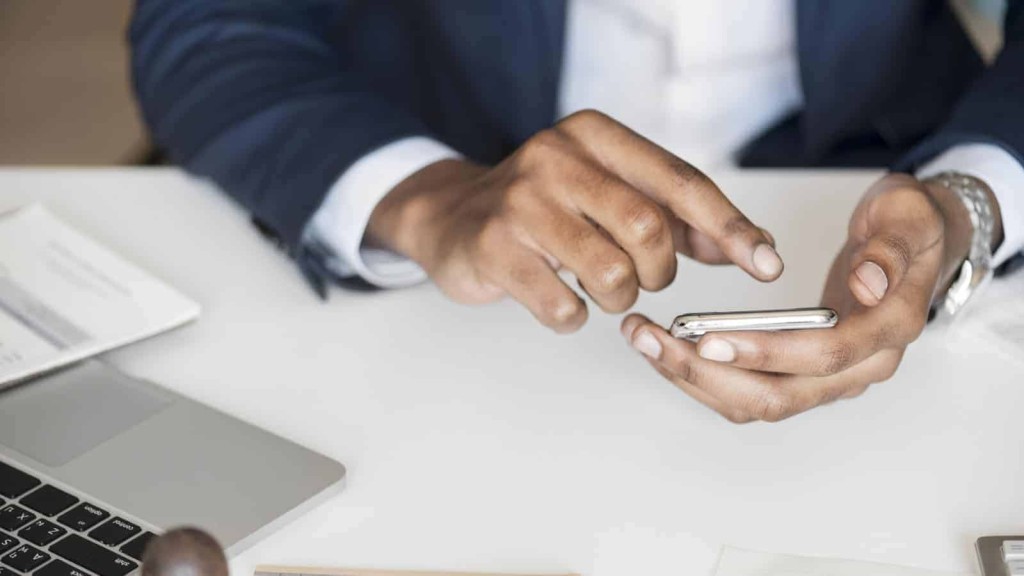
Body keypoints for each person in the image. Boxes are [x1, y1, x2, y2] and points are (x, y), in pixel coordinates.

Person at [130, 0, 1024, 422]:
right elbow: (206, 22)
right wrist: (429, 199)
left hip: (870, 171)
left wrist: (969, 201)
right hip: (454, 251)